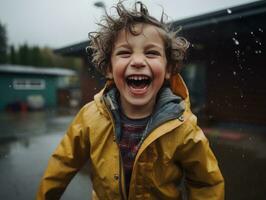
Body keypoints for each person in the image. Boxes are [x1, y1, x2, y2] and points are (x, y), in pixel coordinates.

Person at [37, 1, 224, 199]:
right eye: (125, 53)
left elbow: (206, 183)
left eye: (151, 53)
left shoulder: (183, 127)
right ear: (109, 68)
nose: (137, 61)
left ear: (168, 69)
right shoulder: (90, 117)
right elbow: (62, 164)